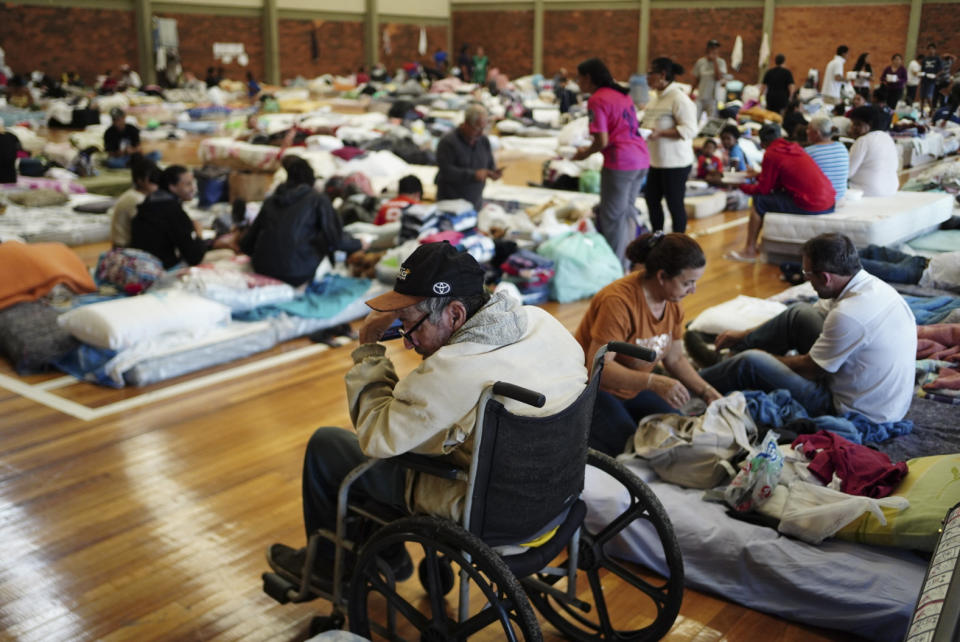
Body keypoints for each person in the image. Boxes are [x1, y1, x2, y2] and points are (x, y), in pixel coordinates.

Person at [266, 241, 588, 583]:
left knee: (328, 446)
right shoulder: (544, 324)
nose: (406, 340)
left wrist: (370, 350)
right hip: (558, 494)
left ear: (455, 314)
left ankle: (329, 567)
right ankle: (385, 554)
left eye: (409, 323)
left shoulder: (453, 370)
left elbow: (376, 437)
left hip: (490, 513)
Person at [701, 233, 916, 424]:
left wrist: (766, 357)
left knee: (751, 362)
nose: (805, 279)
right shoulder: (871, 286)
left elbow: (810, 368)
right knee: (799, 313)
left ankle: (695, 382)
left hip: (853, 410)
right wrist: (744, 335)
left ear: (825, 277)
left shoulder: (848, 314)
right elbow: (807, 314)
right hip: (875, 396)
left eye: (807, 273)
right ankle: (731, 356)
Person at [574, 233, 721, 457]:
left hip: (632, 389)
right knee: (633, 450)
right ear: (662, 276)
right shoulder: (618, 302)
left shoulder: (672, 303)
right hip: (591, 391)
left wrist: (707, 391)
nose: (693, 290)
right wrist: (652, 381)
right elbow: (599, 368)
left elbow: (675, 359)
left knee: (675, 435)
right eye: (687, 283)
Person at [572, 58, 650, 268]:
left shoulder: (597, 99)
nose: (577, 83)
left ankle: (616, 269)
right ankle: (630, 260)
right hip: (641, 159)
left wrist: (584, 154)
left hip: (621, 162)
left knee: (613, 218)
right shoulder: (622, 95)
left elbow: (602, 140)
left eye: (579, 78)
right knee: (628, 212)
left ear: (588, 78)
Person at [240, 156, 361, 286]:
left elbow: (247, 244)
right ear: (311, 179)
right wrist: (359, 244)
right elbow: (336, 240)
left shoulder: (271, 201)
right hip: (297, 274)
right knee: (321, 242)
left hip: (262, 268)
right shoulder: (318, 200)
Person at [727, 123, 835, 262]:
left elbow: (763, 189)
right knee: (771, 198)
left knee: (759, 201)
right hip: (830, 201)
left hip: (812, 203)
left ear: (763, 142)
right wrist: (757, 175)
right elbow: (779, 178)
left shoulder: (771, 153)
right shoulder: (794, 147)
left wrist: (740, 185)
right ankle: (756, 246)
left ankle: (749, 250)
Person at [641, 57, 697, 233]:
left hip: (675, 163)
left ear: (662, 74)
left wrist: (661, 133)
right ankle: (658, 239)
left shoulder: (679, 98)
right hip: (656, 162)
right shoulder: (655, 99)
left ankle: (678, 244)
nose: (646, 78)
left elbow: (689, 130)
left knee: (674, 203)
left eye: (650, 73)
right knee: (651, 199)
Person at [129, 165, 210, 269]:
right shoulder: (173, 211)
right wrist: (199, 233)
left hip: (140, 265)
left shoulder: (149, 201)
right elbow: (194, 257)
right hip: (162, 270)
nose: (193, 188)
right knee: (226, 254)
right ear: (172, 186)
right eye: (188, 184)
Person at [435, 103, 500, 211]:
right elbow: (446, 171)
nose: (480, 133)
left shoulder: (483, 141)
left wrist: (493, 173)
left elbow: (490, 164)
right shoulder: (448, 142)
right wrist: (473, 175)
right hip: (451, 203)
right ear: (466, 124)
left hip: (475, 200)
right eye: (477, 128)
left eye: (483, 128)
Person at [847, 105, 898, 197]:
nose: (853, 128)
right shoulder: (887, 137)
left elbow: (848, 172)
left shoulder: (863, 141)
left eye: (858, 124)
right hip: (892, 189)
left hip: (866, 191)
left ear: (870, 124)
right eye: (853, 124)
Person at [110, 155, 160, 247]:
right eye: (152, 179)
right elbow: (146, 230)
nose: (156, 183)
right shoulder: (135, 199)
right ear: (140, 180)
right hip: (125, 247)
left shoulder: (137, 195)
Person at [804, 116, 848, 202]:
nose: (806, 132)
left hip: (821, 200)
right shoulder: (842, 147)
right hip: (839, 198)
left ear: (817, 133)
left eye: (808, 129)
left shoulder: (809, 152)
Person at [692, 39, 727, 119]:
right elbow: (696, 79)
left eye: (716, 48)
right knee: (694, 118)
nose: (714, 50)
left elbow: (718, 77)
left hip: (713, 98)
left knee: (711, 121)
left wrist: (714, 60)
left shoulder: (721, 62)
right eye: (712, 48)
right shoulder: (700, 62)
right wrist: (691, 92)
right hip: (701, 96)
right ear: (708, 49)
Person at [920, 43, 942, 114]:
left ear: (935, 50)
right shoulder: (925, 59)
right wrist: (920, 74)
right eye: (929, 49)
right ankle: (921, 113)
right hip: (924, 80)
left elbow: (941, 70)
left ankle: (932, 111)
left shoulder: (937, 59)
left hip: (931, 81)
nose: (931, 50)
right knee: (922, 97)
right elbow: (922, 70)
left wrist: (936, 75)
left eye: (932, 49)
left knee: (929, 97)